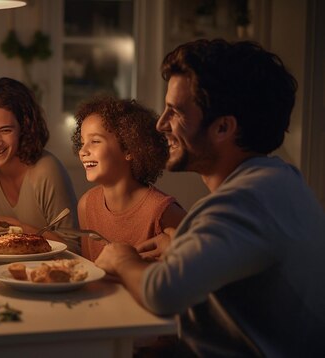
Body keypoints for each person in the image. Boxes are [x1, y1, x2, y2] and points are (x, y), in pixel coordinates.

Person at [95, 39, 325, 356]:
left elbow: (164, 293)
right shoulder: (278, 179)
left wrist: (122, 260)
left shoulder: (247, 199)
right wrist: (181, 245)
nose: (160, 124)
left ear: (223, 128)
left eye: (175, 112)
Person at [0, 77, 79, 252]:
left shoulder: (46, 170)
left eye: (6, 130)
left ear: (24, 128)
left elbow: (74, 249)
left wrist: (18, 227)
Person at [72, 96, 185, 261]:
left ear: (129, 149)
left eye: (95, 141)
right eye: (82, 143)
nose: (83, 151)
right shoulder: (86, 205)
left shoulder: (162, 211)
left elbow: (202, 261)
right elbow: (90, 272)